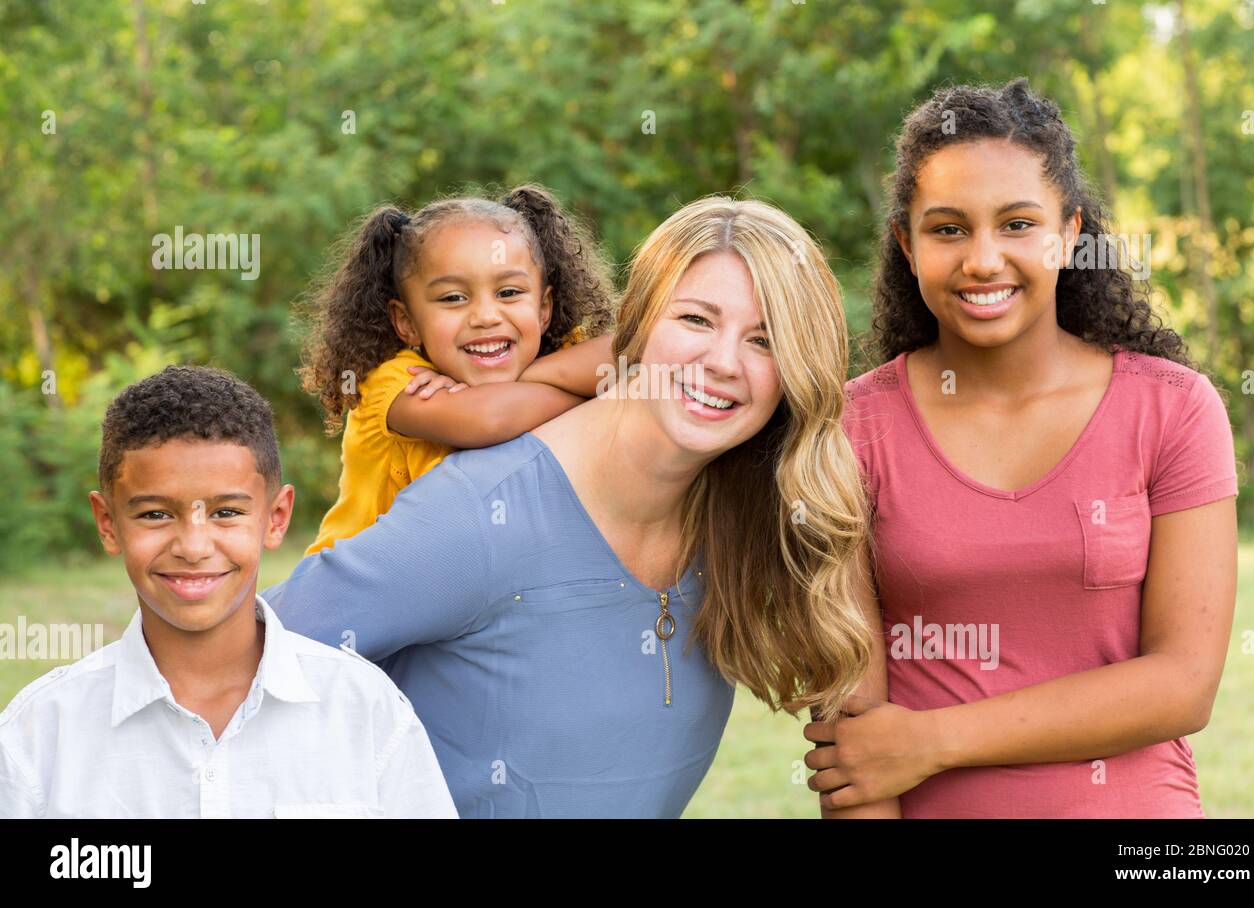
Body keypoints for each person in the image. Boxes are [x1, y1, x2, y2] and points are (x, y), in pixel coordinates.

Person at [265, 196, 873, 817]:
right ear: (633, 327)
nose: (722, 362)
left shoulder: (743, 510)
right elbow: (232, 658)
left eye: (765, 340)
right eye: (695, 320)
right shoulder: (481, 511)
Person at [806, 79, 1238, 818]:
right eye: (948, 229)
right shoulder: (850, 432)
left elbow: (1183, 683)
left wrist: (934, 740)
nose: (982, 260)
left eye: (1016, 224)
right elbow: (857, 750)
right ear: (907, 245)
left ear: (1069, 234)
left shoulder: (1172, 409)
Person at [0, 366, 458, 818]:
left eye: (225, 512)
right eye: (156, 515)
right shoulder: (40, 735)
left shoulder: (365, 711)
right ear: (108, 523)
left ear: (276, 518)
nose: (194, 548)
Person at [297, 184, 616, 554]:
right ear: (407, 322)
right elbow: (490, 418)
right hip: (351, 596)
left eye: (509, 292)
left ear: (544, 308)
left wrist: (533, 377)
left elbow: (628, 354)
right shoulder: (392, 381)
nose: (485, 316)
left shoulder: (545, 360)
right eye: (453, 298)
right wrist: (584, 393)